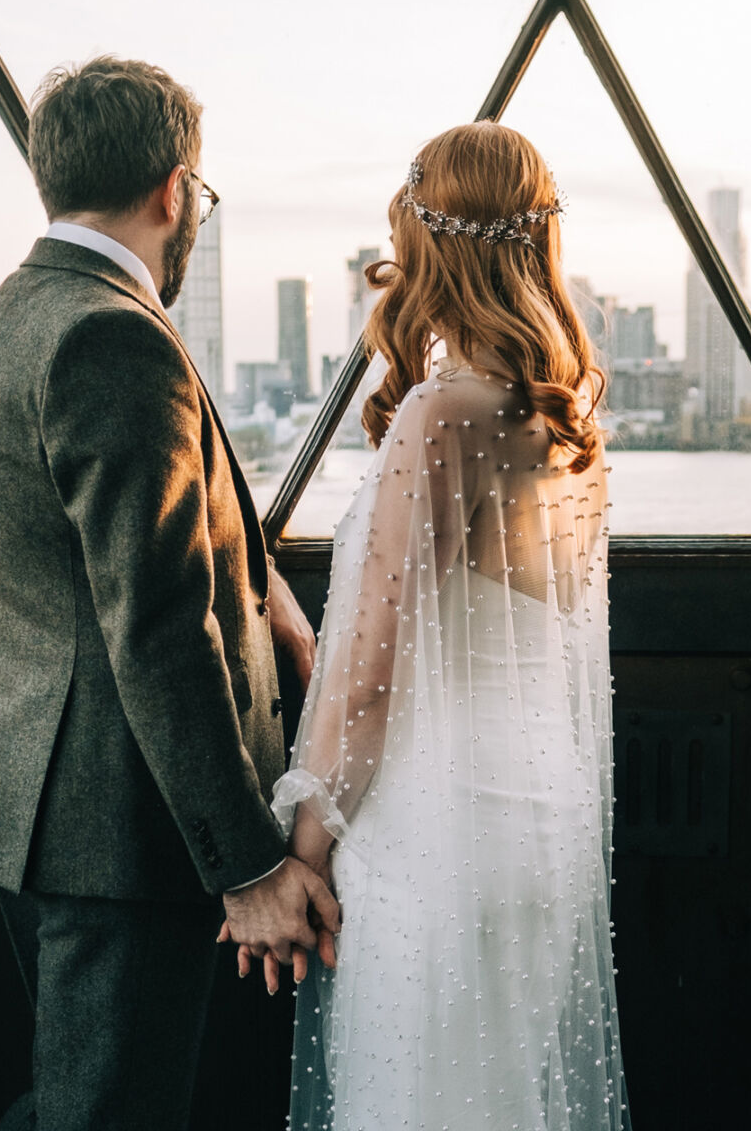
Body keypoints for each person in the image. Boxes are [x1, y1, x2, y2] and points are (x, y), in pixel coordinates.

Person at [0, 56, 339, 1131]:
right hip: (123, 840)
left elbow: (98, 551)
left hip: (39, 813)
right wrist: (249, 866)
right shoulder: (112, 332)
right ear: (175, 190)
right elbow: (157, 627)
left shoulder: (0, 319)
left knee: (78, 1103)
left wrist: (264, 589)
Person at [264, 121, 631, 1129]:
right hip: (535, 822)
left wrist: (302, 850)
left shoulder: (444, 414)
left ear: (427, 244)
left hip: (437, 834)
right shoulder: (566, 416)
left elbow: (370, 681)